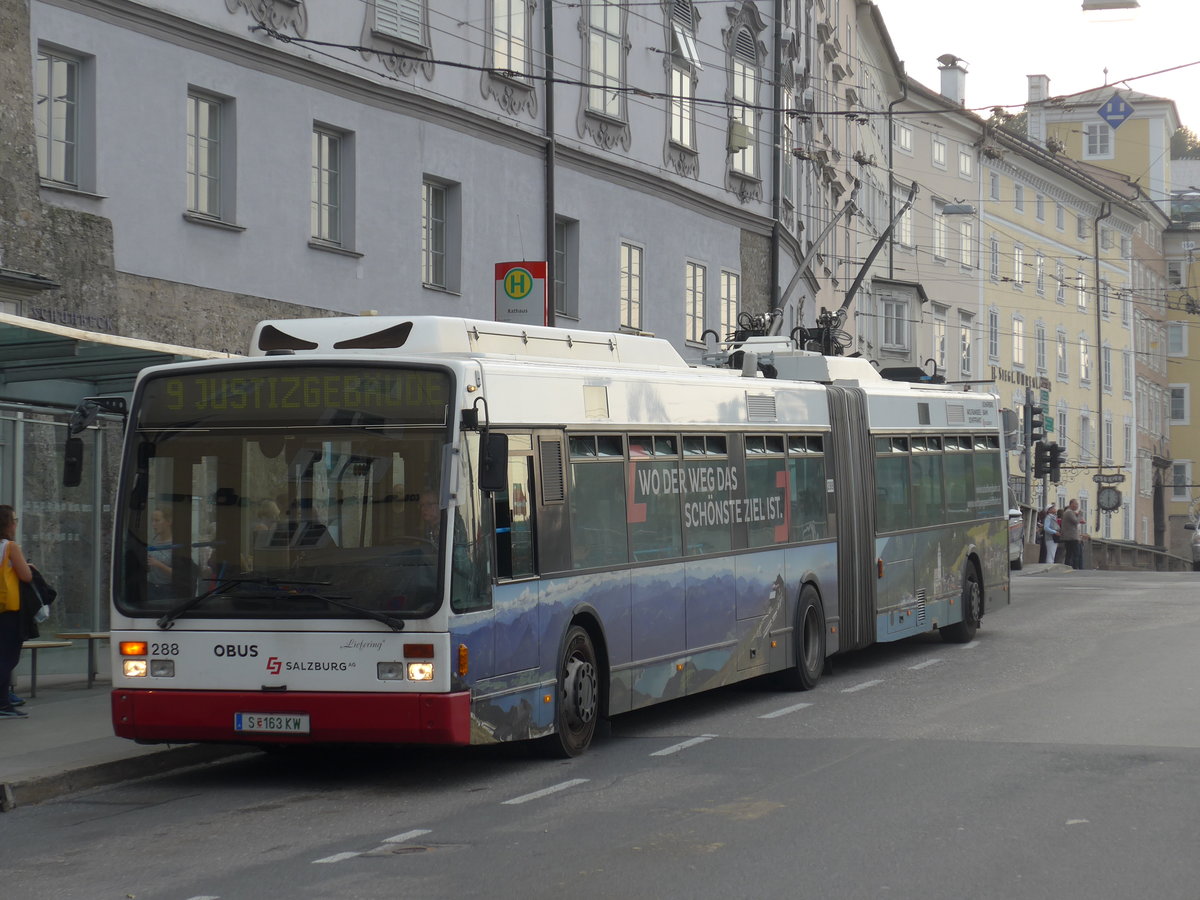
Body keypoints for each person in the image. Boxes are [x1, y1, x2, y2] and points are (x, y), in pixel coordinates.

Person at [0, 505, 34, 718]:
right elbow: (26, 576)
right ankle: (2, 704)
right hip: (7, 609)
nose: (15, 524)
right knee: (8, 657)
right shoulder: (9, 547)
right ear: (7, 524)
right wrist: (30, 567)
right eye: (14, 520)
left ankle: (4, 702)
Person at [1060, 499, 1083, 570]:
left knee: (1069, 553)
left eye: (1077, 504)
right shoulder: (1069, 512)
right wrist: (1080, 515)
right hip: (1072, 536)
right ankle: (1075, 567)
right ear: (1071, 504)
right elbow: (1076, 521)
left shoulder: (1068, 512)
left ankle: (1068, 566)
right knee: (1076, 553)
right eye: (1075, 504)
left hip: (1068, 536)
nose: (1077, 506)